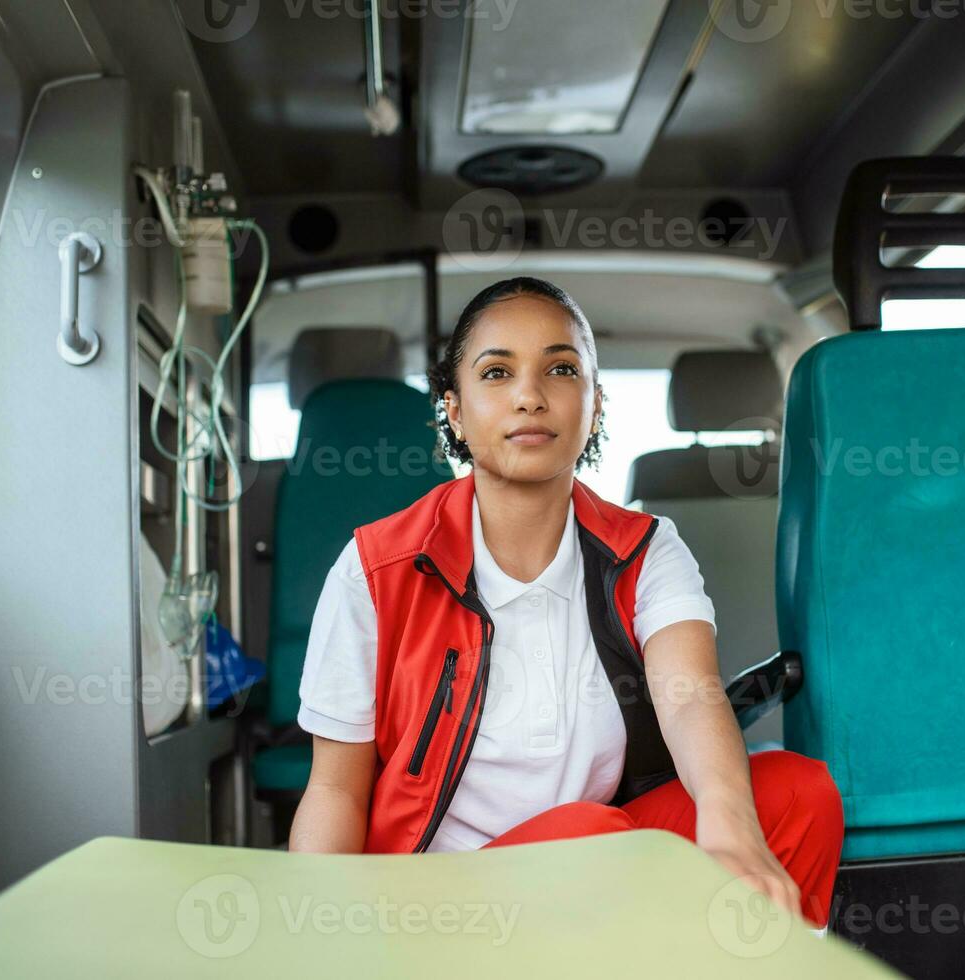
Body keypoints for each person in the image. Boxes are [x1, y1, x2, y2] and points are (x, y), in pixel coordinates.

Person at [287, 276, 843, 927]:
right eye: (496, 372)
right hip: (437, 895)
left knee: (797, 793)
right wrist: (320, 928)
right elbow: (334, 787)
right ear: (456, 410)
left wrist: (731, 831)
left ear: (595, 405)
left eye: (560, 368)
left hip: (595, 849)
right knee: (590, 837)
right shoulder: (375, 567)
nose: (529, 395)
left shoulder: (647, 549)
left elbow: (691, 695)